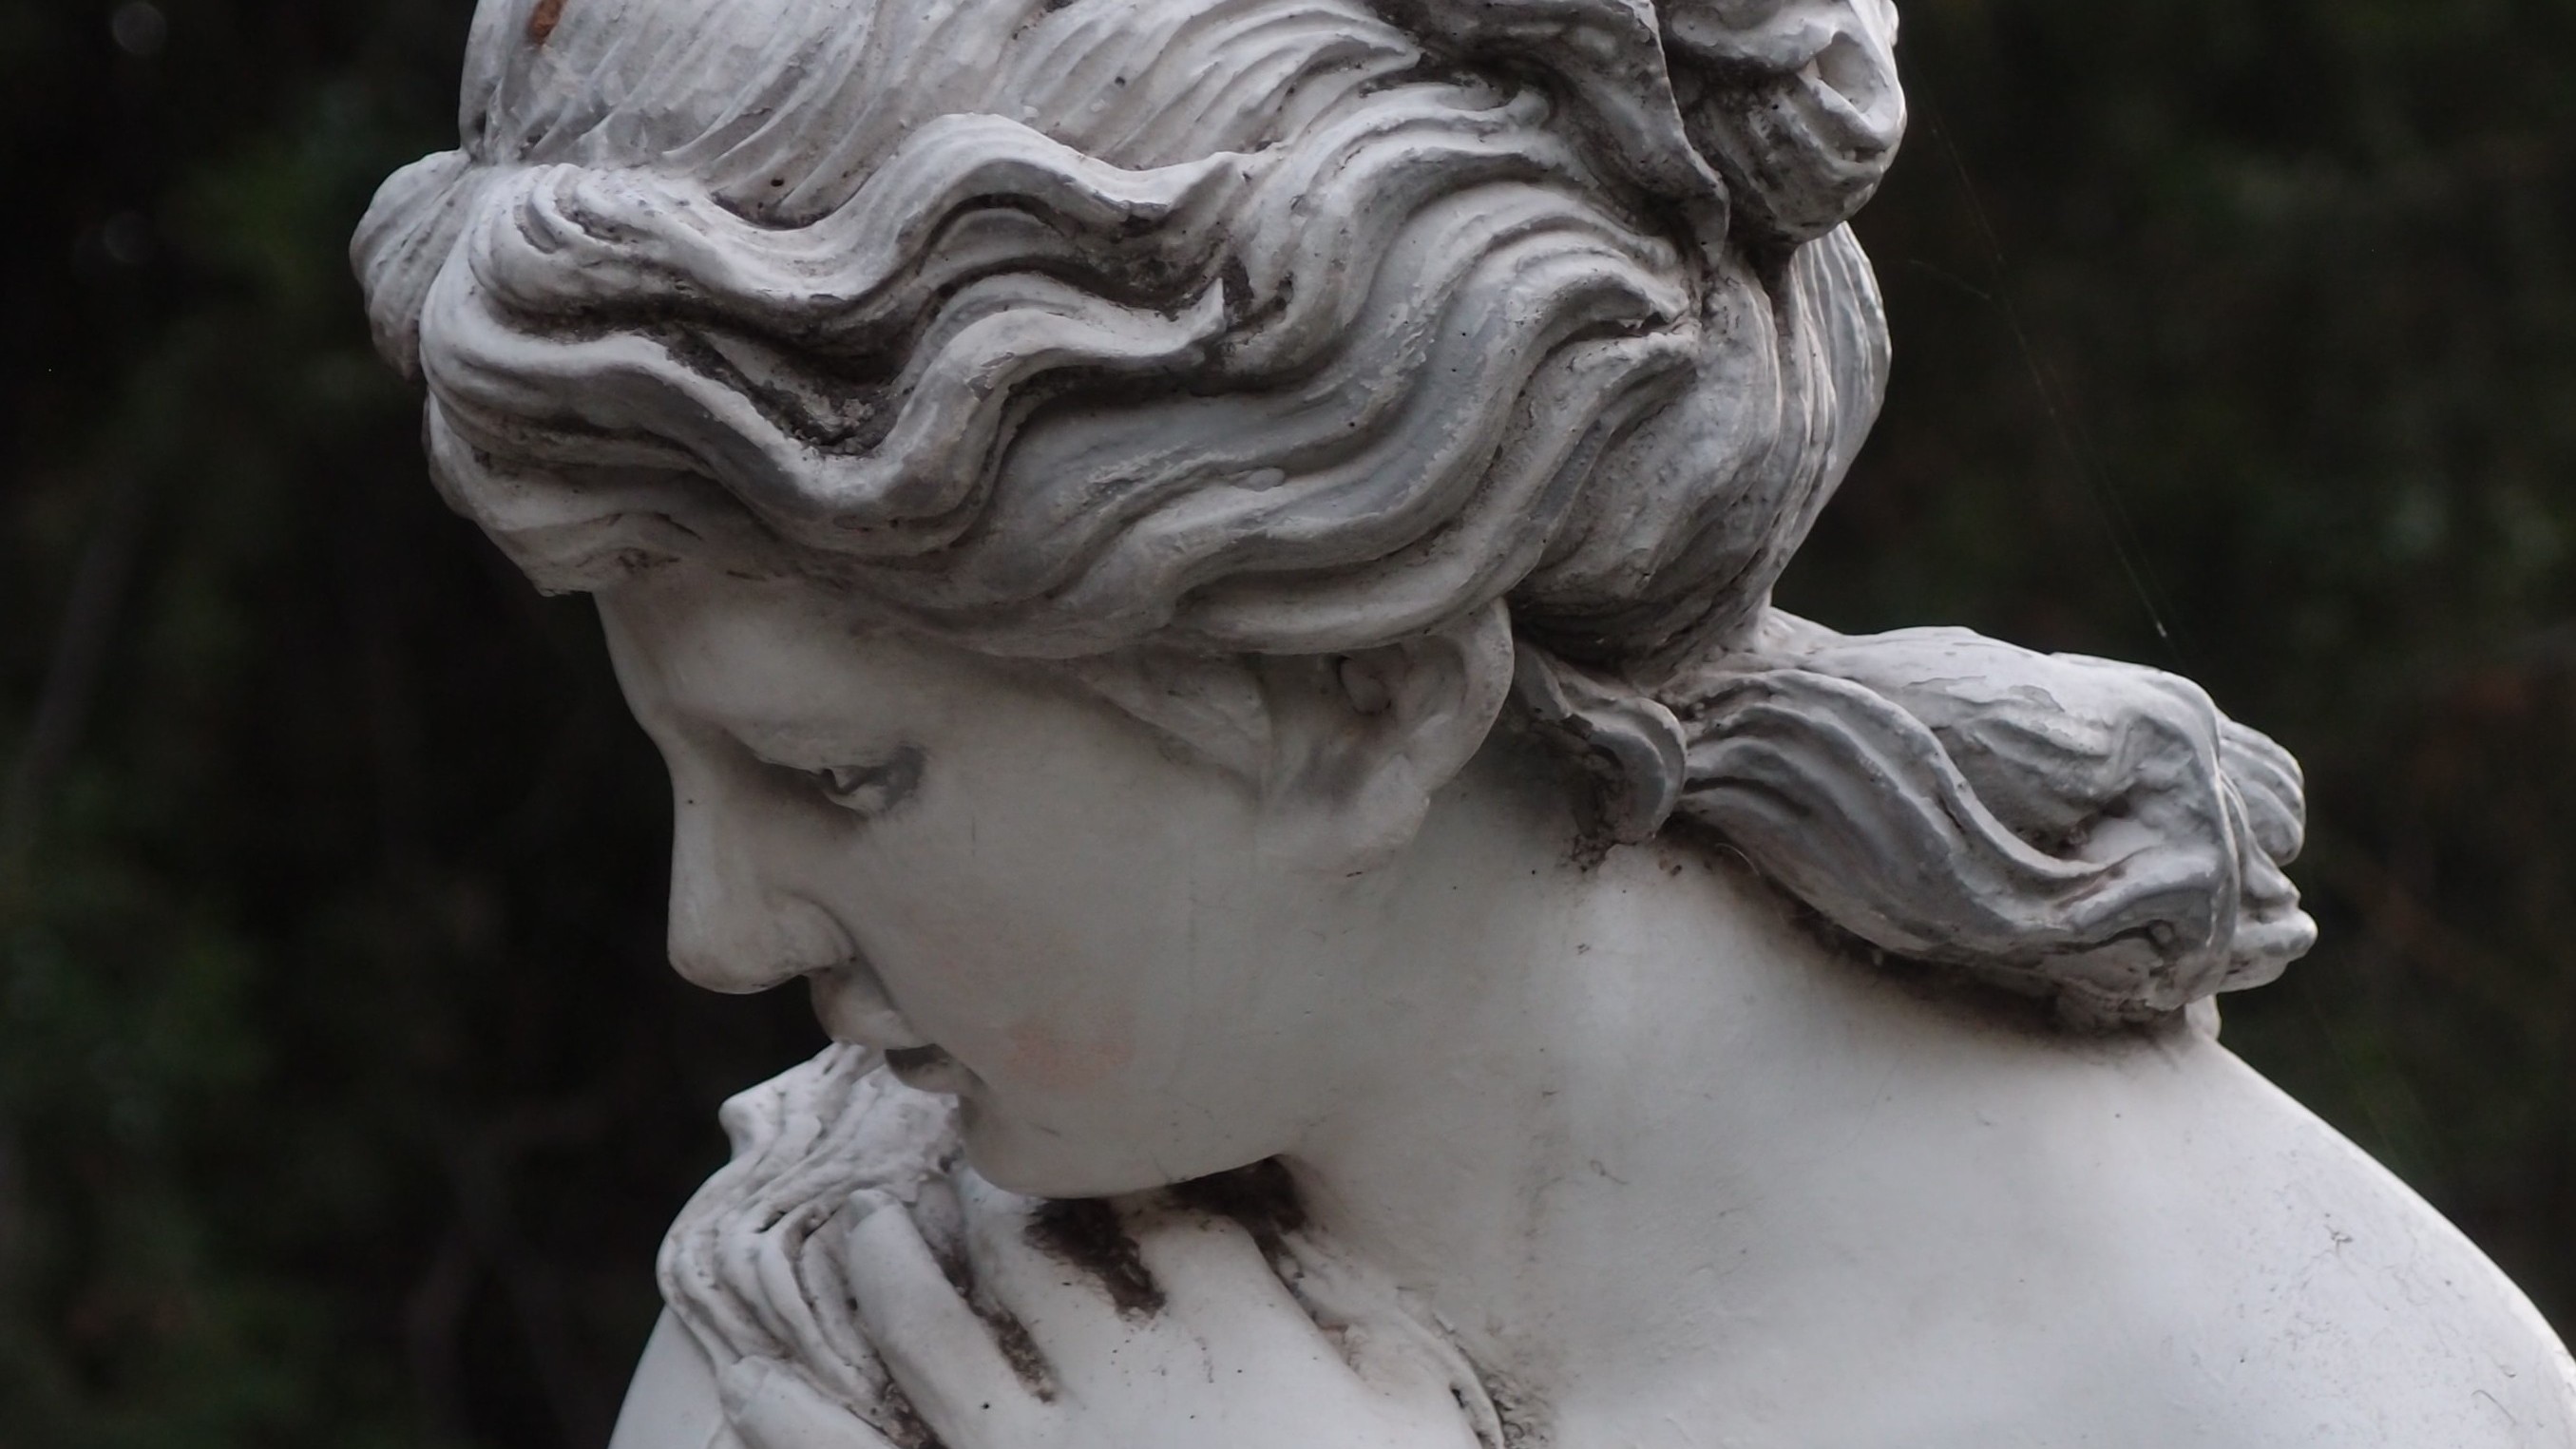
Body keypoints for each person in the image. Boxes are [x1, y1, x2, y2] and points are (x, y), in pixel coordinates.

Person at [354, 0, 2576, 1441]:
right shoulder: (872, 1319)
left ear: (1357, 699)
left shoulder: (2268, 1382)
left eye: (837, 773)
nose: (710, 933)